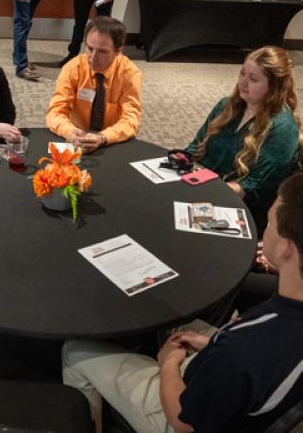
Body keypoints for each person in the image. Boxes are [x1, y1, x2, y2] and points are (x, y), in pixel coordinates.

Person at [63, 172, 303, 433]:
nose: (263, 231)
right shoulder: (275, 324)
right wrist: (213, 342)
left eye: (268, 224)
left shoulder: (242, 349)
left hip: (185, 412)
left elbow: (184, 420)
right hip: (238, 383)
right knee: (173, 312)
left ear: (285, 248)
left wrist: (168, 364)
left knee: (75, 351)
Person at [186, 46, 301, 233]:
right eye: (242, 73)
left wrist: (200, 194)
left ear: (274, 87)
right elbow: (195, 148)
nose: (243, 82)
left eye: (253, 79)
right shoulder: (227, 105)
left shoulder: (283, 128)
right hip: (206, 188)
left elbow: (251, 187)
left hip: (242, 209)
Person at [46, 16, 142, 153]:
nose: (93, 58)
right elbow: (55, 110)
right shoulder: (73, 68)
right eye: (90, 48)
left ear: (118, 51)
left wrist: (103, 137)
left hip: (111, 142)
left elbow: (131, 120)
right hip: (77, 139)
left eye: (102, 51)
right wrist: (69, 131)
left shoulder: (130, 73)